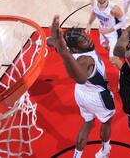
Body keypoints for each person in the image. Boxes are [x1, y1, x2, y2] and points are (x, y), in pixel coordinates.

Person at [48, 15, 115, 158]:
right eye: (83, 40)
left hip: (81, 95)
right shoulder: (85, 60)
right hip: (98, 96)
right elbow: (81, 78)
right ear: (75, 47)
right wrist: (63, 52)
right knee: (107, 122)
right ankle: (105, 150)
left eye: (85, 36)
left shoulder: (72, 49)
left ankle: (77, 156)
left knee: (88, 124)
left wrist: (55, 39)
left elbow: (51, 42)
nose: (88, 39)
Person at [86, 0, 126, 69]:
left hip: (113, 33)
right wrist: (89, 24)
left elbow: (123, 22)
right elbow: (94, 12)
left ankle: (123, 73)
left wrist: (110, 30)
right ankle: (116, 50)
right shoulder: (93, 2)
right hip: (102, 30)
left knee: (113, 59)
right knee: (104, 45)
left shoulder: (114, 9)